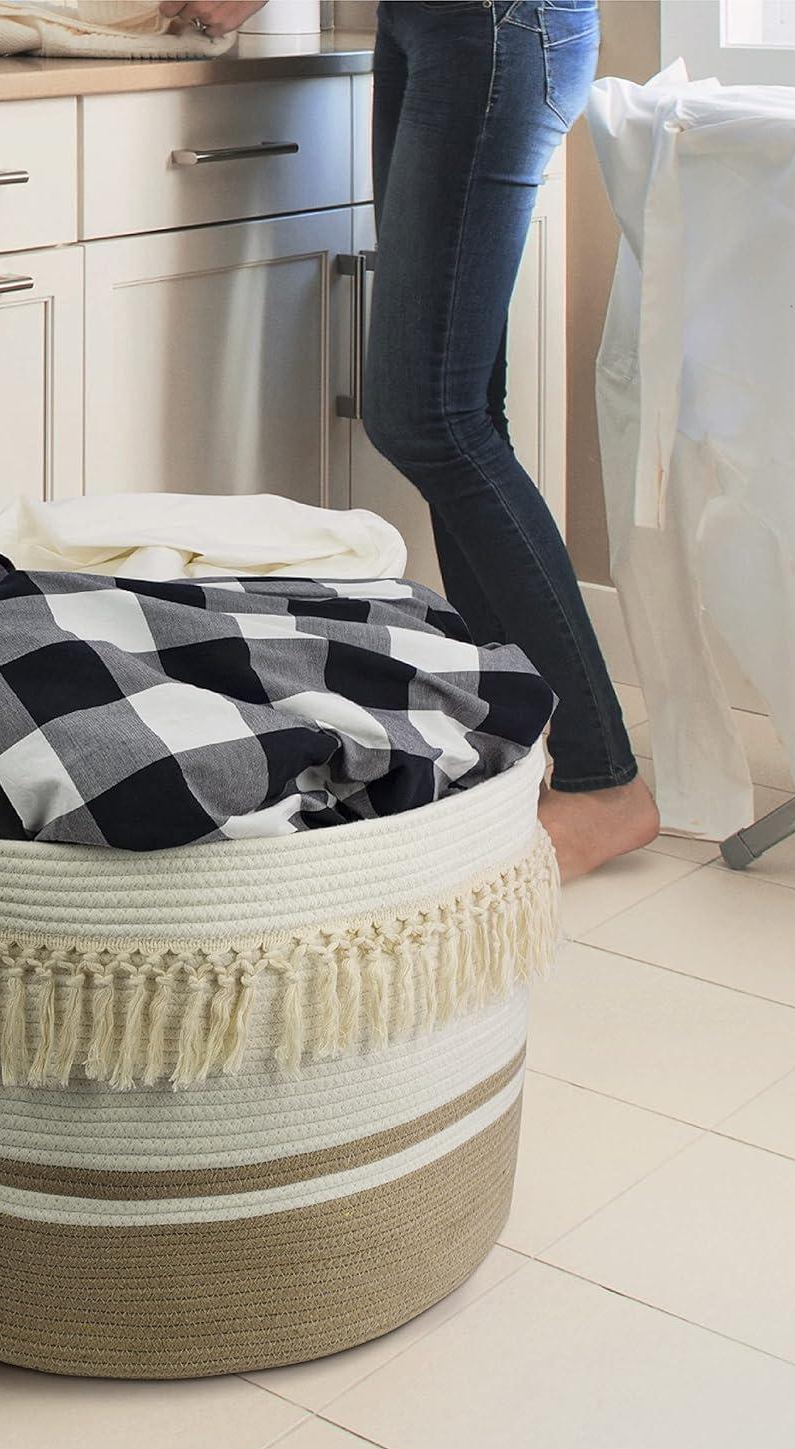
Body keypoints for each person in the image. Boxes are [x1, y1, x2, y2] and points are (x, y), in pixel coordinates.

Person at [160, 0, 659, 880]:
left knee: (429, 416)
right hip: (436, 22)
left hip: (498, 24)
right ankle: (524, 747)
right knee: (456, 410)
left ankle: (602, 782)